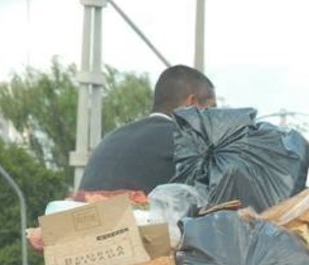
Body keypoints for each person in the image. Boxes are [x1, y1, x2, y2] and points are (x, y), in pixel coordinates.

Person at [78, 64, 217, 193]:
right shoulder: (186, 142)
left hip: (82, 217)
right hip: (133, 218)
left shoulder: (111, 138)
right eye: (211, 109)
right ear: (191, 104)